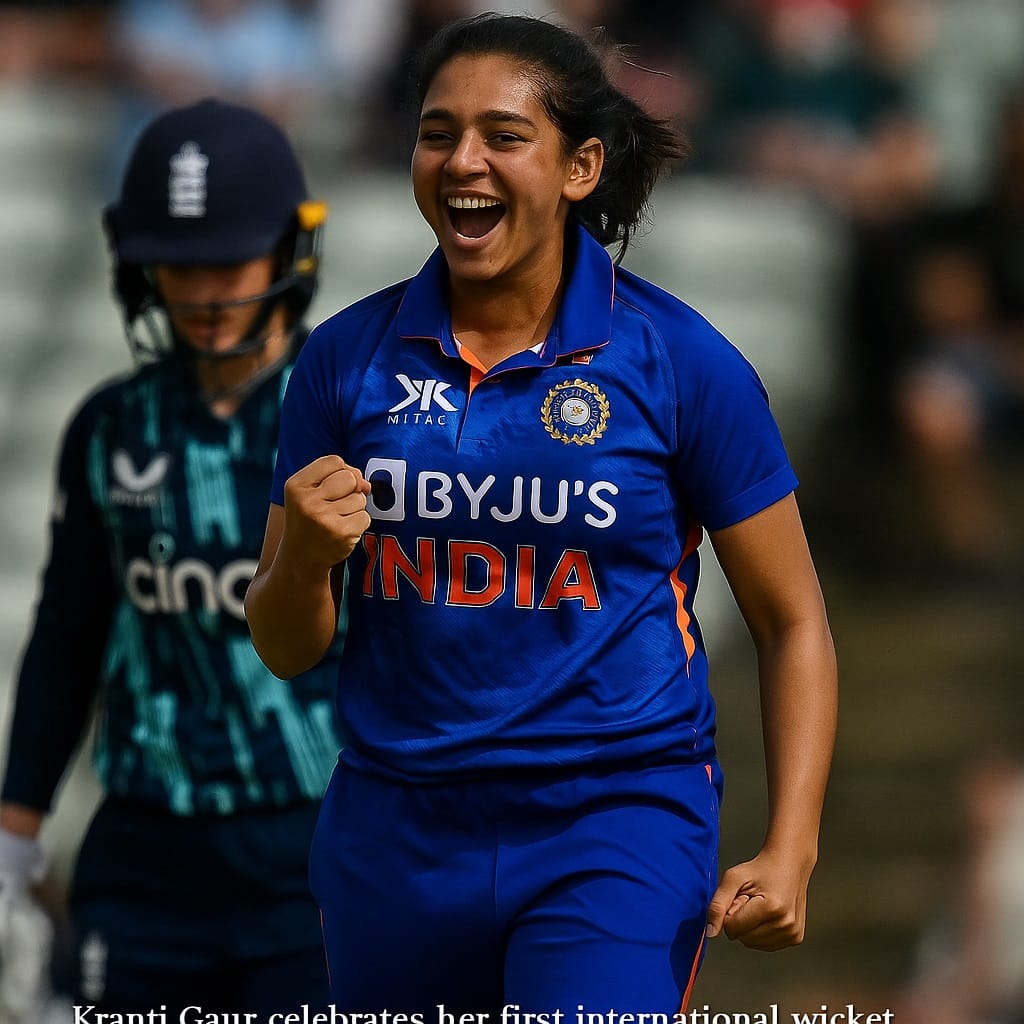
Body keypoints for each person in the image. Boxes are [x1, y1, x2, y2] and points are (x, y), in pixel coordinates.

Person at [245, 11, 838, 1015]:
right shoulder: (344, 359)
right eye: (437, 132)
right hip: (392, 834)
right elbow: (285, 645)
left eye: (503, 135)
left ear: (579, 166)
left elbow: (792, 623)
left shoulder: (682, 362)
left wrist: (793, 846)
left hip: (614, 819)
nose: (461, 160)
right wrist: (300, 562)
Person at [0, 98, 341, 1015]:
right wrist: (14, 843)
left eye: (227, 261)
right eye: (179, 266)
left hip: (316, 857)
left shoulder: (356, 417)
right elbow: (67, 636)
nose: (203, 295)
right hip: (145, 859)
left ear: (291, 248)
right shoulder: (111, 429)